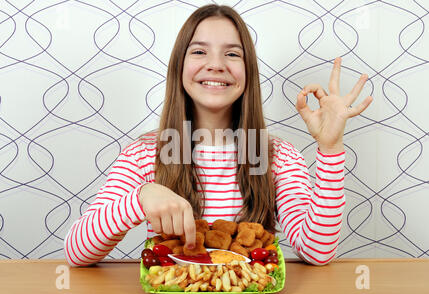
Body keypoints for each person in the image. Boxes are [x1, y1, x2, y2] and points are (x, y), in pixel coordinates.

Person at [64, 4, 372, 267]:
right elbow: (77, 252)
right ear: (179, 67)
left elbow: (317, 251)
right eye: (199, 51)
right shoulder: (145, 153)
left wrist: (330, 147)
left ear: (247, 70)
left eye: (232, 55)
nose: (215, 65)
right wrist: (140, 197)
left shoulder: (276, 155)